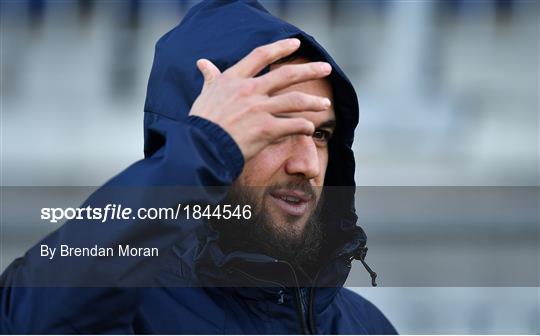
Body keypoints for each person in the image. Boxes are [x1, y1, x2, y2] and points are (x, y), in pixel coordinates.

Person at [0, 1, 397, 334]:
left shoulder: (364, 325)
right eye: (275, 128)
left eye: (321, 135)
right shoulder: (130, 315)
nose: (307, 165)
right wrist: (203, 147)